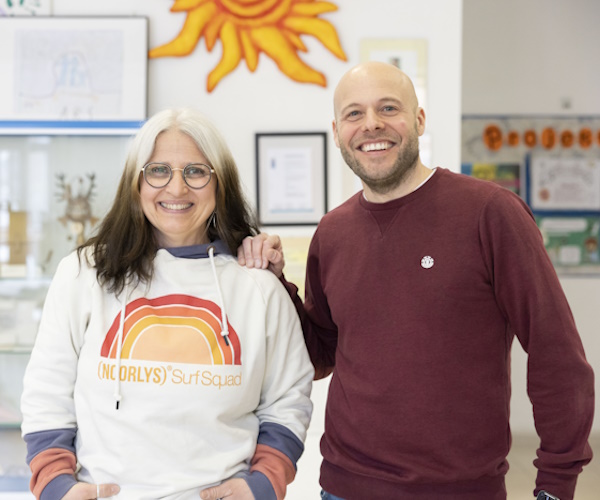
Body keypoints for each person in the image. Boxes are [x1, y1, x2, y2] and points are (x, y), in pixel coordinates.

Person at [238, 61, 594, 500]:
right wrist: (278, 284)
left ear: (419, 119)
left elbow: (555, 352)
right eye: (354, 114)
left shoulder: (490, 212)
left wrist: (557, 484)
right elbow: (321, 356)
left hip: (460, 491)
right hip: (342, 488)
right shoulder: (332, 233)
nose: (371, 125)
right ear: (336, 131)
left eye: (388, 108)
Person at [21, 108, 314, 500]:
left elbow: (288, 399)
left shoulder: (259, 287)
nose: (176, 189)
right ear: (135, 183)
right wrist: (57, 486)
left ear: (219, 184)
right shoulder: (83, 274)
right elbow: (46, 392)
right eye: (158, 170)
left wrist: (262, 484)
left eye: (196, 171)